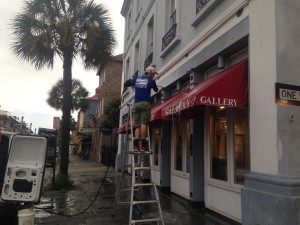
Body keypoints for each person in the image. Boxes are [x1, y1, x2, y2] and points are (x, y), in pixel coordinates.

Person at [124, 66, 159, 151]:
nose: (154, 75)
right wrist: (153, 83)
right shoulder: (151, 81)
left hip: (136, 104)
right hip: (145, 104)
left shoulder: (137, 79)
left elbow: (126, 84)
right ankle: (143, 145)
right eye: (153, 74)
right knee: (144, 124)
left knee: (137, 125)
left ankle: (136, 146)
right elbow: (156, 90)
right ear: (150, 73)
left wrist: (129, 81)